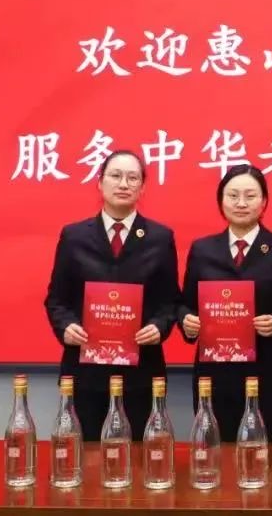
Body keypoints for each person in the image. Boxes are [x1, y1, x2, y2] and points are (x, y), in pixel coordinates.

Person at [44, 150, 179, 440]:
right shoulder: (74, 236)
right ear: (100, 182)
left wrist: (159, 326)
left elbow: (170, 301)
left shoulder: (160, 238)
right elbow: (56, 299)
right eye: (115, 176)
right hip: (85, 373)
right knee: (86, 455)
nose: (123, 184)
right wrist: (66, 326)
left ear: (142, 187)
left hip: (141, 373)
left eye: (132, 178)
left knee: (140, 456)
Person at [177, 164, 272, 443]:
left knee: (266, 453)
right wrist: (187, 321)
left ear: (264, 201)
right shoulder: (203, 249)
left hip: (265, 372)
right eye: (233, 195)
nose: (241, 203)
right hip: (213, 375)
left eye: (250, 195)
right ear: (221, 201)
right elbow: (185, 304)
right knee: (213, 452)